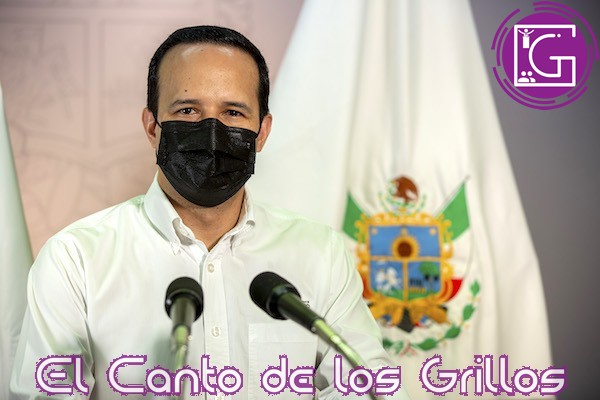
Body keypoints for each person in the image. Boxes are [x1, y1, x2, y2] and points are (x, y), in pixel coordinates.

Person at [10, 26, 410, 399]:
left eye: (233, 112)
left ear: (262, 132)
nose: (212, 132)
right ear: (152, 127)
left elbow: (366, 387)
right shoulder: (75, 259)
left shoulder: (320, 254)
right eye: (188, 111)